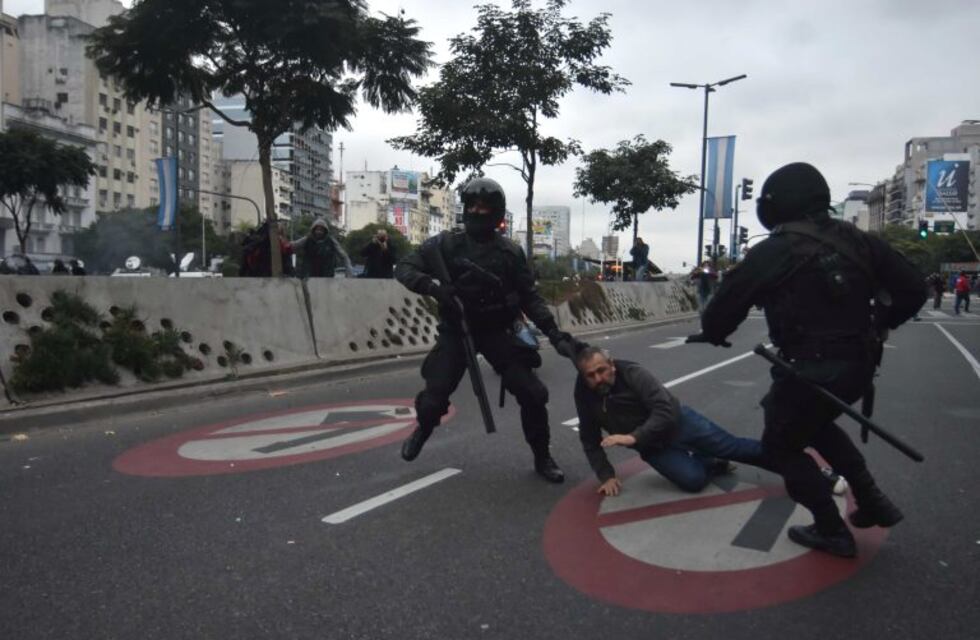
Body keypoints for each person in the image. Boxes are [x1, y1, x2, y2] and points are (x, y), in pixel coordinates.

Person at [690, 162, 927, 558]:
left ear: (778, 202)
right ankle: (871, 499)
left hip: (812, 370)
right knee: (813, 423)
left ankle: (831, 529)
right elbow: (914, 290)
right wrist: (881, 323)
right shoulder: (861, 241)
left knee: (779, 446)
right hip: (860, 366)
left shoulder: (776, 249)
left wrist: (715, 334)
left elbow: (721, 310)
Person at [394, 177, 581, 483]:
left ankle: (542, 456)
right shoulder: (445, 245)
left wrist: (553, 332)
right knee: (433, 399)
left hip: (498, 331)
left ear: (496, 213)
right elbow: (404, 267)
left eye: (484, 207)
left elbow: (529, 296)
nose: (477, 212)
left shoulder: (510, 253)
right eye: (472, 206)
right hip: (457, 330)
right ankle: (423, 429)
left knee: (533, 393)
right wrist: (433, 288)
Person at [573, 347, 775, 494]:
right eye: (590, 375)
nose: (598, 379)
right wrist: (606, 476)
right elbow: (589, 439)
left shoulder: (633, 373)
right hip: (652, 447)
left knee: (733, 448)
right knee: (693, 481)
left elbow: (664, 410)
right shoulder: (584, 395)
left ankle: (787, 460)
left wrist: (633, 437)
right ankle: (711, 461)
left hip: (679, 424)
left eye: (601, 370)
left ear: (612, 365)